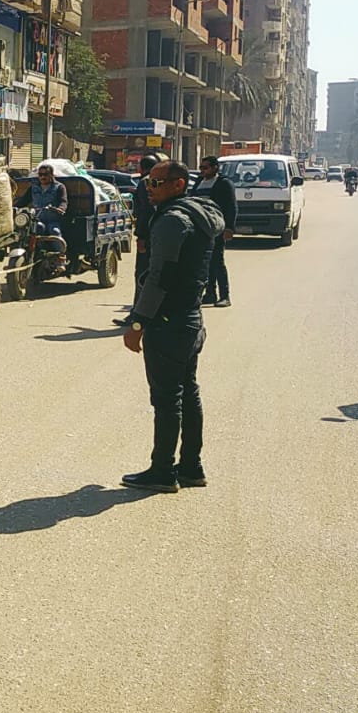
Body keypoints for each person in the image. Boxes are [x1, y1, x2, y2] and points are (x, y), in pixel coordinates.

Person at [120, 160, 226, 493]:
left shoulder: (172, 220)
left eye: (155, 183)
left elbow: (160, 278)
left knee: (167, 399)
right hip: (190, 318)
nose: (149, 189)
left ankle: (163, 471)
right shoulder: (200, 214)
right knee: (188, 392)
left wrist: (138, 321)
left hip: (168, 323)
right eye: (147, 183)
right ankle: (191, 467)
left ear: (178, 184)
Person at [114, 153, 161, 326]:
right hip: (161, 233)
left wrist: (141, 236)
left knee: (142, 274)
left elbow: (145, 212)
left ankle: (138, 315)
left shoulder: (145, 183)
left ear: (142, 168)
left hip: (148, 235)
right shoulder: (161, 182)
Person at [193, 156, 237, 307]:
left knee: (217, 262)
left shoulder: (223, 183)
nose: (202, 171)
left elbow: (231, 206)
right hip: (201, 228)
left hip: (216, 227)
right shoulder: (199, 182)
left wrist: (229, 228)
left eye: (205, 168)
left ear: (215, 168)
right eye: (201, 168)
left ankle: (225, 295)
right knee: (206, 262)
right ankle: (210, 293)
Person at [15, 162, 69, 267]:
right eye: (40, 175)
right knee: (31, 231)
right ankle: (36, 253)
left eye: (45, 174)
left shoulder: (59, 187)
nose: (42, 177)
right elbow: (24, 201)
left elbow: (64, 201)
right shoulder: (34, 188)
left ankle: (60, 258)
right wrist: (15, 207)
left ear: (51, 175)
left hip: (53, 219)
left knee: (55, 231)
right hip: (37, 219)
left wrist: (61, 209)